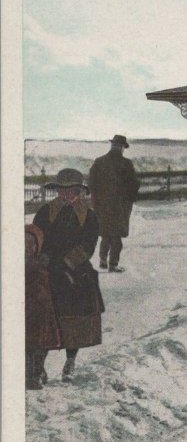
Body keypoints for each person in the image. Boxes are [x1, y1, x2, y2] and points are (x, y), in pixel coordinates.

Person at [33, 168, 104, 382]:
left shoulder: (88, 216)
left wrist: (67, 263)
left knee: (75, 320)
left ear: (79, 192)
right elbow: (35, 238)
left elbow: (88, 245)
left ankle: (70, 361)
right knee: (44, 319)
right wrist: (42, 257)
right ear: (57, 191)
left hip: (76, 272)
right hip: (47, 269)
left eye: (72, 190)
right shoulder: (45, 212)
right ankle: (39, 366)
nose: (67, 195)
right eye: (62, 190)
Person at [87, 135, 140, 272]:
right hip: (120, 207)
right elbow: (134, 184)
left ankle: (103, 260)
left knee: (105, 234)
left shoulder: (99, 162)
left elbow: (91, 183)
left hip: (102, 206)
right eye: (122, 147)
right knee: (116, 236)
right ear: (121, 147)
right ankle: (113, 264)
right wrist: (130, 199)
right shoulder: (126, 164)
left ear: (112, 145)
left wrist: (96, 200)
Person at [25, 224, 62, 390]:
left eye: (31, 243)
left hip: (42, 314)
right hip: (27, 312)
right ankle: (31, 377)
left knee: (40, 347)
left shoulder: (42, 264)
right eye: (24, 243)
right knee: (29, 348)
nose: (27, 247)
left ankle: (37, 373)